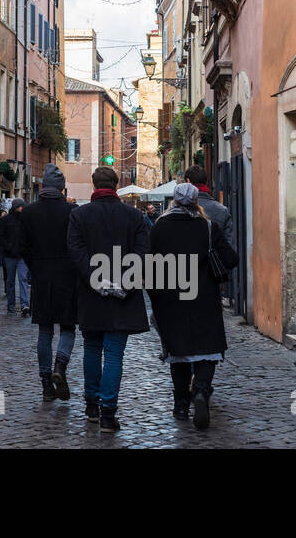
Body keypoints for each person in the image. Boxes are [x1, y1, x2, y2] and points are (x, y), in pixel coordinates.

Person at [148, 183, 239, 430]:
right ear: (196, 200)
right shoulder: (208, 227)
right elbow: (231, 258)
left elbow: (149, 267)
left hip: (170, 299)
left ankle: (180, 406)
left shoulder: (159, 227)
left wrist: (155, 298)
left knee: (178, 353)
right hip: (204, 297)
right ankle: (200, 391)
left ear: (174, 201)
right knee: (207, 348)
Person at [67, 165, 150, 433]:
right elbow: (142, 254)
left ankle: (91, 406)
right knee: (114, 353)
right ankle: (107, 413)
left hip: (92, 296)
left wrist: (96, 279)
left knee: (92, 348)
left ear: (94, 186)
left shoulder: (79, 215)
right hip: (123, 297)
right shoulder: (134, 216)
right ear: (115, 186)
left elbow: (76, 252)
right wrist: (123, 282)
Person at [19, 164, 78, 402]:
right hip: (67, 275)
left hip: (42, 275)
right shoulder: (72, 212)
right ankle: (60, 367)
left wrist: (36, 267)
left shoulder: (29, 212)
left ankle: (46, 384)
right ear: (62, 188)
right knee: (67, 327)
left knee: (44, 330)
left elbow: (22, 247)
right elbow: (76, 245)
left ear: (42, 186)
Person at [1, 199, 30, 314]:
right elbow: (0, 236)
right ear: (16, 207)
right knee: (10, 281)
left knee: (23, 279)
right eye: (21, 207)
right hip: (10, 255)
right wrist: (8, 247)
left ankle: (24, 304)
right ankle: (11, 304)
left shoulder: (26, 220)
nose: (22, 208)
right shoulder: (6, 220)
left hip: (22, 254)